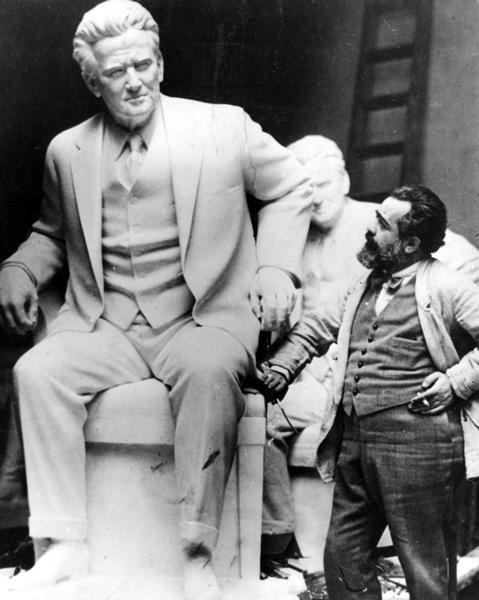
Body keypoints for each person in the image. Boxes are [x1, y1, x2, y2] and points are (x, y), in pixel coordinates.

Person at [0, 2, 312, 598]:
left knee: (209, 370)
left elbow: (291, 185)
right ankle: (64, 545)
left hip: (203, 319)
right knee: (36, 371)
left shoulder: (223, 126)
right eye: (116, 73)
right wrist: (17, 268)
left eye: (143, 65)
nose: (134, 80)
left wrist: (275, 266)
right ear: (94, 81)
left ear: (162, 64)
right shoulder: (68, 151)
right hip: (107, 324)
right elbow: (51, 234)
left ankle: (195, 549)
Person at [261, 136, 479, 574]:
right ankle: (276, 544)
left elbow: (459, 263)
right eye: (301, 187)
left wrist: (455, 378)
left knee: (425, 564)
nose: (313, 196)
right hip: (347, 416)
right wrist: (281, 368)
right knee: (343, 557)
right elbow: (321, 324)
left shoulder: (436, 269)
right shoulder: (348, 271)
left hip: (413, 424)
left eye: (321, 184)